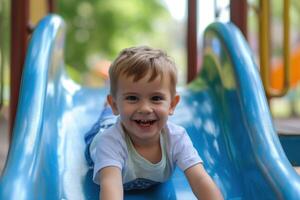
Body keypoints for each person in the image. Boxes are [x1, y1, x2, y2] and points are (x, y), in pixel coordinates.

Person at [88, 46, 223, 200]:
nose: (145, 108)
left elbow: (200, 179)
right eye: (132, 98)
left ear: (172, 104)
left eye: (156, 98)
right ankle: (108, 111)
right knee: (106, 122)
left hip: (126, 120)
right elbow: (111, 185)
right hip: (101, 135)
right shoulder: (109, 142)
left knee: (121, 117)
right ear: (115, 104)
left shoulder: (176, 137)